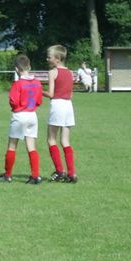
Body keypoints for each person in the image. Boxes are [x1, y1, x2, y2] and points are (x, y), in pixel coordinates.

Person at [0, 55, 43, 184]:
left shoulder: (17, 84)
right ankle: (35, 176)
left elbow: (13, 102)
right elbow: (39, 100)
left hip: (20, 115)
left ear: (17, 69)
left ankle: (8, 175)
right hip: (32, 115)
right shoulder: (37, 82)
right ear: (29, 67)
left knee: (12, 145)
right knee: (31, 146)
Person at [43, 45, 78, 183]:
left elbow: (51, 94)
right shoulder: (70, 72)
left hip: (57, 105)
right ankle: (72, 173)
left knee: (51, 139)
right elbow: (71, 94)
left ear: (57, 59)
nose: (47, 59)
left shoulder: (53, 72)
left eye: (49, 57)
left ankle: (59, 171)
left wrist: (38, 90)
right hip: (68, 106)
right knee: (65, 141)